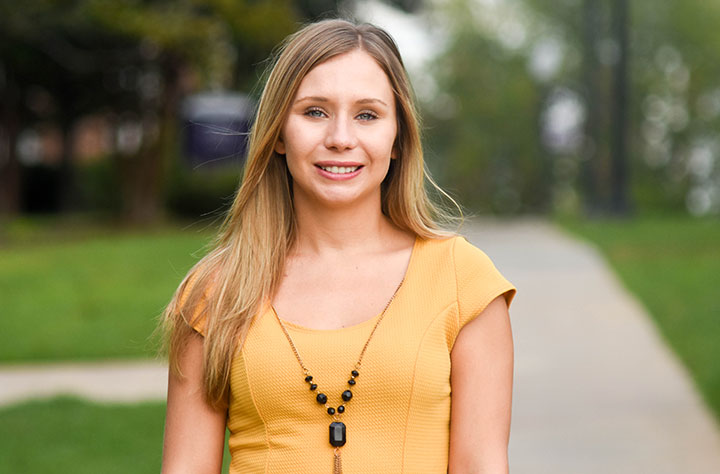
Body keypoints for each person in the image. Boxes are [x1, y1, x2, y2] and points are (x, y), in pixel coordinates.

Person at [160, 18, 516, 474]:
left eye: (367, 114)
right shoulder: (216, 292)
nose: (341, 139)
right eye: (314, 111)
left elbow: (481, 465)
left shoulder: (464, 281)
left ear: (397, 140)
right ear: (279, 136)